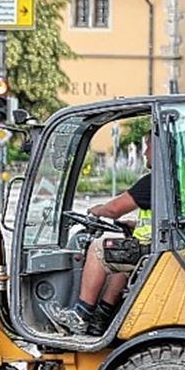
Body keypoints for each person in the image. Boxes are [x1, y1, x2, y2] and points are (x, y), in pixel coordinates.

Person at [44, 135, 153, 336]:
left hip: (154, 250)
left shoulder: (156, 180)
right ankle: (101, 318)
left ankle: (81, 314)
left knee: (98, 248)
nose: (145, 152)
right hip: (164, 246)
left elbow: (114, 209)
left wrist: (97, 210)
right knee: (121, 260)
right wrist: (133, 225)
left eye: (148, 147)